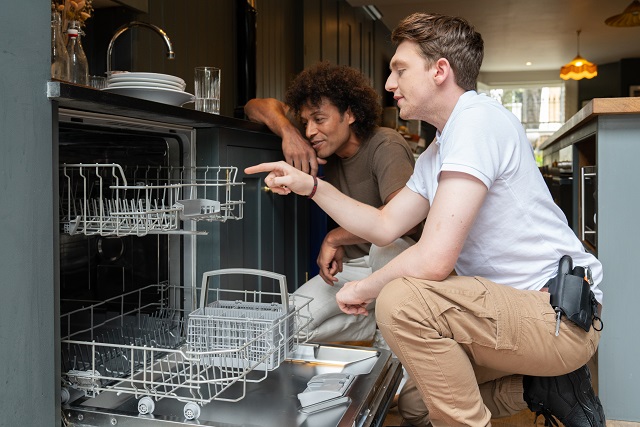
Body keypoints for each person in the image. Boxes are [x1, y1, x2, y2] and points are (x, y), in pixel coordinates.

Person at [245, 12, 606, 427]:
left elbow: (433, 259)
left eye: (400, 70)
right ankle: (547, 388)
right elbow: (384, 225)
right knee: (414, 400)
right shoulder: (438, 149)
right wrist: (310, 186)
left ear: (440, 71)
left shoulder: (477, 120)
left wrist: (362, 288)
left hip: (555, 315)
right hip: (508, 314)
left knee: (401, 301)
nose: (389, 84)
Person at [245, 62, 419, 343]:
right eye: (305, 123)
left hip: (398, 263)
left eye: (319, 120)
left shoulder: (386, 145)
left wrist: (335, 238)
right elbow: (255, 106)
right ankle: (375, 324)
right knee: (287, 324)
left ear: (349, 114)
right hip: (353, 267)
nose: (311, 131)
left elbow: (403, 220)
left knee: (386, 247)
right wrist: (289, 133)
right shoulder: (323, 142)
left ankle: (392, 318)